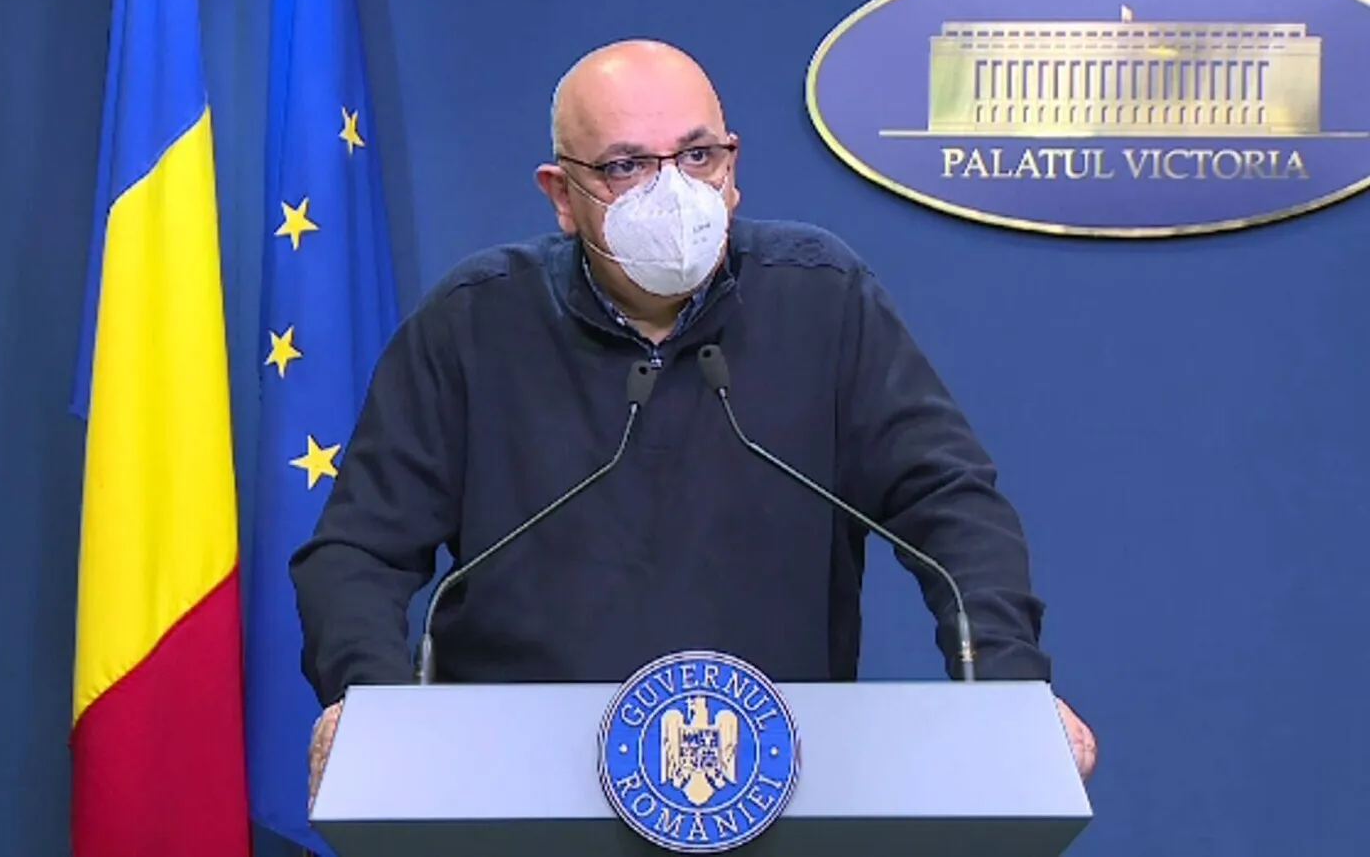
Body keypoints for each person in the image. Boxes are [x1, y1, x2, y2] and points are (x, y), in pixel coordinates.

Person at [297, 39, 1096, 801]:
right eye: (626, 166)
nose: (673, 191)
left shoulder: (820, 297)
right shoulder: (476, 320)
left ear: (733, 167)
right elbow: (358, 549)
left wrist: (1008, 690)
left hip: (774, 781)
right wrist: (372, 708)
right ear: (561, 195)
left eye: (697, 156)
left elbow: (949, 502)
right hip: (518, 781)